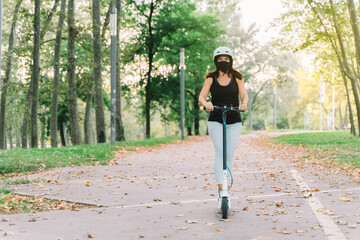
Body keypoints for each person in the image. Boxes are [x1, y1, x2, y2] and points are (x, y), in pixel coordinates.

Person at [198, 46, 248, 199]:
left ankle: (227, 184)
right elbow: (201, 96)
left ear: (230, 60)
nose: (223, 62)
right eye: (220, 60)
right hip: (216, 118)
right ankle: (222, 189)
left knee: (230, 152)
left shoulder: (238, 77)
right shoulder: (210, 78)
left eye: (226, 59)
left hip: (234, 117)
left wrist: (244, 104)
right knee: (220, 151)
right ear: (216, 61)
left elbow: (244, 95)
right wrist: (206, 104)